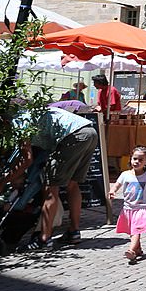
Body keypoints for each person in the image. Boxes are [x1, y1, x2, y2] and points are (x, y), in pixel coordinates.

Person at [20, 104, 99, 250]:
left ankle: (44, 239)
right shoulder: (36, 110)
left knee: (51, 188)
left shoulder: (20, 120)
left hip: (73, 136)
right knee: (72, 184)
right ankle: (74, 232)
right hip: (90, 132)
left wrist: (4, 182)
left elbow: (27, 159)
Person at [110, 146, 146, 264]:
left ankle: (131, 250)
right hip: (128, 208)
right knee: (132, 231)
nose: (137, 162)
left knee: (136, 231)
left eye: (140, 160)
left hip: (141, 208)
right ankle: (138, 250)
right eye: (135, 159)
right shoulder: (125, 174)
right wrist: (112, 191)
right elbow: (117, 185)